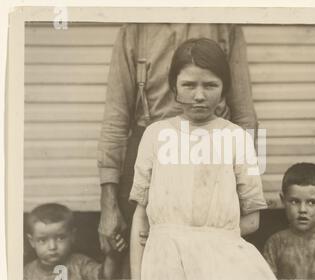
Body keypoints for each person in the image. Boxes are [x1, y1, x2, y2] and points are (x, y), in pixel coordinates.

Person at [97, 24, 259, 267]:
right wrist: (107, 205)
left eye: (210, 87)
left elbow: (246, 116)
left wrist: (244, 181)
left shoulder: (224, 24)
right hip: (152, 148)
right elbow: (115, 119)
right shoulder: (136, 28)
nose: (199, 95)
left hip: (213, 154)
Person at [129, 38, 275, 280]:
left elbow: (253, 218)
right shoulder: (155, 135)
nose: (199, 95)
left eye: (210, 85)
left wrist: (208, 239)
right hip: (165, 265)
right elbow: (140, 216)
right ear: (174, 88)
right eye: (188, 85)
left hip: (221, 264)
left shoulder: (238, 137)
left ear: (224, 88)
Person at [24, 203, 126, 280]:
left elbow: (104, 277)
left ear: (72, 236)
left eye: (60, 238)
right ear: (32, 241)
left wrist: (112, 256)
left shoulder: (80, 264)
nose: (52, 247)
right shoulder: (27, 273)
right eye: (42, 240)